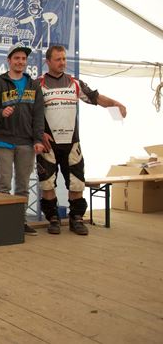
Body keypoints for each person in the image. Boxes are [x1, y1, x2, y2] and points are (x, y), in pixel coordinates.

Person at [38, 45, 127, 235]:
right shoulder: (38, 84)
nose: (62, 62)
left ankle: (76, 218)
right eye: (58, 59)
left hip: (72, 143)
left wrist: (115, 103)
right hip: (48, 144)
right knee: (47, 183)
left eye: (64, 59)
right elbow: (29, 112)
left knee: (77, 182)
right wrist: (38, 134)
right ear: (48, 61)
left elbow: (95, 98)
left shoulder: (75, 83)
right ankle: (53, 218)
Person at [0, 44, 45, 235]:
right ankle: (3, 224)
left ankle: (20, 222)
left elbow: (39, 115)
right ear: (9, 60)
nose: (20, 62)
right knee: (4, 185)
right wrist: (1, 112)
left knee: (23, 186)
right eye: (16, 58)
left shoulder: (33, 85)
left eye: (23, 59)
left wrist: (38, 139)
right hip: (3, 141)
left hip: (26, 143)